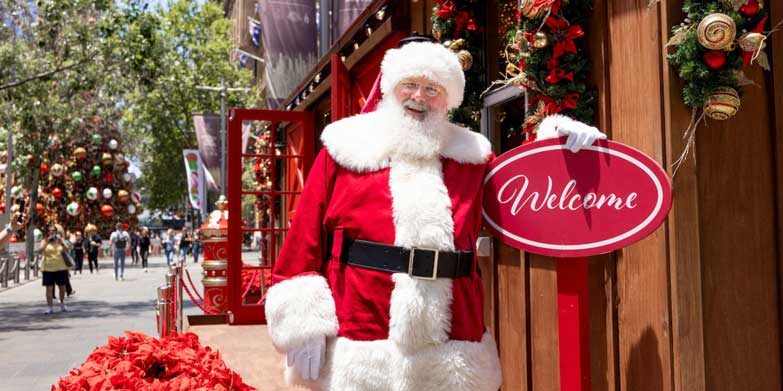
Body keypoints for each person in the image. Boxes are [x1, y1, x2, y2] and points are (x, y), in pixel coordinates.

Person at [264, 39, 605, 391]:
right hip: (363, 331)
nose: (419, 97)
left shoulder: (472, 155)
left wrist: (555, 146)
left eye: (432, 88)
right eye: (410, 85)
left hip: (454, 337)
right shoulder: (345, 147)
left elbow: (522, 192)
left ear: (448, 100)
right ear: (391, 88)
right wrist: (303, 325)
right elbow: (304, 236)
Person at [40, 223, 70, 314]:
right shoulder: (45, 240)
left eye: (53, 231)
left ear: (56, 232)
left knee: (62, 287)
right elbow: (40, 250)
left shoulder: (60, 240)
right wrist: (47, 242)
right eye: (50, 231)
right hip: (48, 267)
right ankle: (50, 307)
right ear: (47, 232)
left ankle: (62, 303)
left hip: (61, 267)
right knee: (49, 288)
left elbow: (67, 249)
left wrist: (61, 242)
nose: (51, 232)